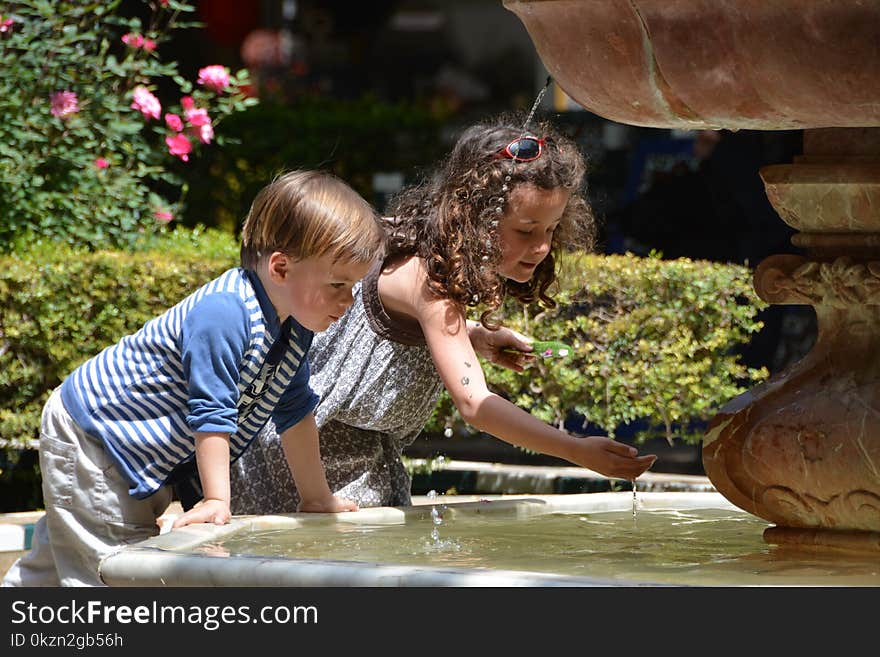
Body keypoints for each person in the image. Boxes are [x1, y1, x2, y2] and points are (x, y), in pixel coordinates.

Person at [209, 115, 657, 515]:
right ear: (476, 217)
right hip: (299, 472)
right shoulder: (431, 281)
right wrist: (574, 449)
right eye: (525, 230)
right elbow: (474, 404)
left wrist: (474, 337)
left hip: (343, 466)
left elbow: (387, 326)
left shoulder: (430, 261)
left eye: (551, 229)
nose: (541, 246)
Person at [2, 169, 385, 587]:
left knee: (53, 569)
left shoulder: (294, 327)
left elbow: (294, 411)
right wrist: (217, 499)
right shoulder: (225, 313)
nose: (348, 300)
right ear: (280, 268)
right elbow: (212, 411)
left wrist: (317, 497)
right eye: (338, 284)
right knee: (115, 572)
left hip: (130, 450)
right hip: (99, 440)